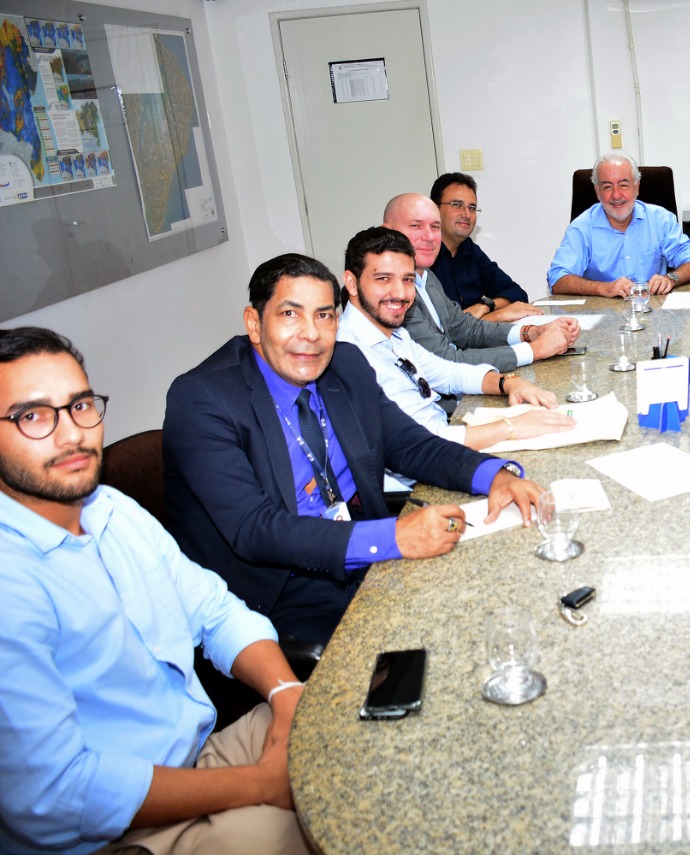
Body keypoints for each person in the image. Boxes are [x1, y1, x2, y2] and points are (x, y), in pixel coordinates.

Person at [0, 327, 311, 854]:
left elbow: (215, 611)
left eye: (79, 406)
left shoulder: (109, 510)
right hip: (121, 827)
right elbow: (59, 795)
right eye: (32, 416)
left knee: (356, 730)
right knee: (334, 828)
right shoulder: (12, 583)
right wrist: (260, 785)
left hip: (201, 755)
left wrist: (286, 694)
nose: (71, 434)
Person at [164, 253, 544, 645]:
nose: (311, 334)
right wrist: (393, 537)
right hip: (277, 588)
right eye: (290, 315)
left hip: (360, 545)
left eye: (325, 316)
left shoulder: (345, 364)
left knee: (491, 598)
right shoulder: (203, 400)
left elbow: (409, 445)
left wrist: (494, 475)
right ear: (254, 324)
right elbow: (255, 529)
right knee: (426, 640)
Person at [338, 226, 574, 475]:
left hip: (446, 445)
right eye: (383, 279)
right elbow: (422, 445)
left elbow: (449, 373)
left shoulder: (393, 333)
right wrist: (511, 427)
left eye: (407, 280)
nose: (399, 292)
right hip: (421, 476)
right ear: (352, 283)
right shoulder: (349, 356)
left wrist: (509, 383)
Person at [383, 193, 579, 376]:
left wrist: (529, 332)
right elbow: (444, 361)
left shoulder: (425, 275)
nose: (429, 236)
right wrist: (535, 350)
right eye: (416, 226)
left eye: (434, 227)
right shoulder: (392, 292)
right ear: (388, 231)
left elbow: (466, 330)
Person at [547, 153, 690, 297]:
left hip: (653, 313)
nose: (616, 195)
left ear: (637, 187)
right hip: (602, 316)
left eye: (623, 185)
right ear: (597, 191)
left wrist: (671, 278)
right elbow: (557, 279)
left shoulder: (660, 219)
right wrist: (603, 288)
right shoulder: (581, 228)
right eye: (607, 186)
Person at [428, 172, 541, 323]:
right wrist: (495, 316)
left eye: (472, 207)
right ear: (434, 209)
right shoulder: (422, 255)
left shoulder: (470, 250)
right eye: (457, 205)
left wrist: (486, 306)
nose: (467, 214)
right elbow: (441, 326)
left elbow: (516, 293)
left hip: (478, 338)